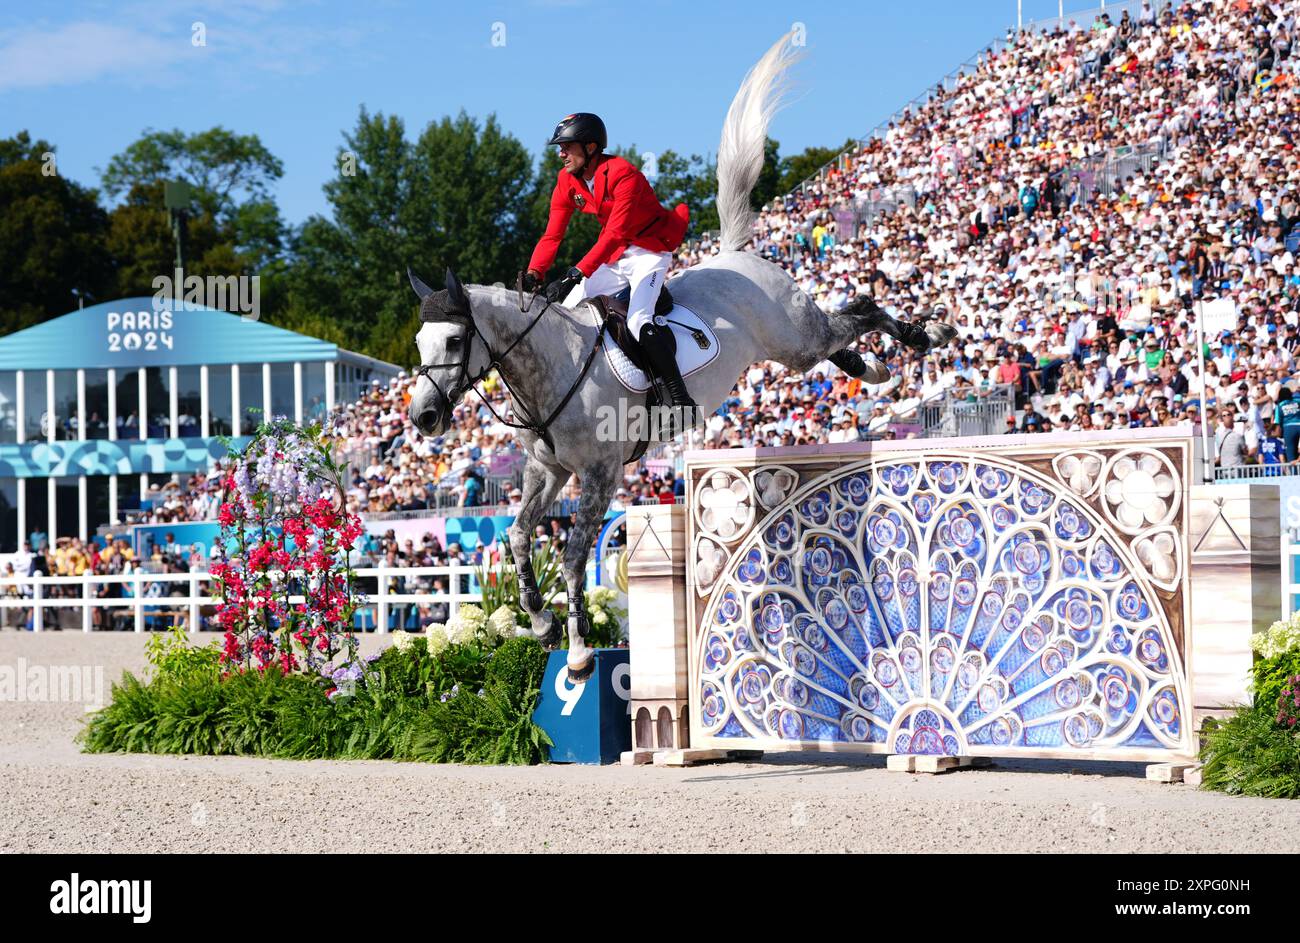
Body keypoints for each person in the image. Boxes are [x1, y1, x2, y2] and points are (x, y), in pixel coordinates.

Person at [520, 112, 698, 422]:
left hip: (648, 250)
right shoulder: (567, 180)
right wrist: (536, 271)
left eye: (566, 147)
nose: (560, 154)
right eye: (559, 148)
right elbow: (553, 234)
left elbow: (615, 232)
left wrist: (577, 272)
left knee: (638, 321)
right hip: (617, 253)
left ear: (590, 147)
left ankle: (681, 399)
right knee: (568, 309)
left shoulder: (623, 173)